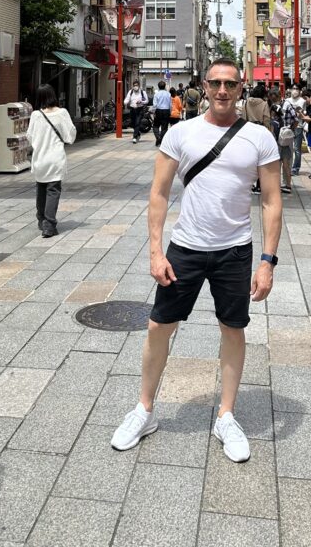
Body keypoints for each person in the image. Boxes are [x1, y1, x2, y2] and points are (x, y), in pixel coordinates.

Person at [111, 58, 282, 463]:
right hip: (185, 247)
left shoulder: (259, 138)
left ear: (242, 89)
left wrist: (267, 261)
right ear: (204, 86)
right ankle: (145, 410)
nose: (223, 91)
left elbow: (272, 201)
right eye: (216, 83)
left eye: (231, 84)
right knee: (158, 326)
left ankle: (226, 415)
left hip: (235, 250)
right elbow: (158, 193)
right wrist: (155, 251)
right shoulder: (181, 132)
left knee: (233, 329)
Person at [27, 84, 76, 237]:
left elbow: (30, 136)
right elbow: (70, 135)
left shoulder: (36, 115)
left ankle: (41, 220)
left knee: (41, 189)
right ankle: (49, 224)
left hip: (40, 158)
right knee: (53, 190)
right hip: (55, 157)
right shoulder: (62, 113)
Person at [278, 96, 298, 194]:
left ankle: (288, 185)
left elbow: (296, 120)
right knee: (277, 163)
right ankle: (281, 184)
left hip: (285, 138)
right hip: (276, 138)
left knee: (286, 163)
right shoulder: (273, 105)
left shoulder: (287, 105)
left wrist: (290, 130)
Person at [285, 84, 306, 175]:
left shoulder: (302, 101)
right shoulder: (287, 100)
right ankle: (287, 166)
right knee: (287, 148)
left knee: (297, 149)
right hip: (288, 127)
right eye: (293, 88)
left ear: (300, 91)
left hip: (298, 126)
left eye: (297, 89)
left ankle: (296, 168)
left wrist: (298, 113)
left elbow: (302, 113)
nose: (295, 90)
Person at [153, 81, 171, 147]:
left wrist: (154, 112)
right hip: (166, 110)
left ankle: (158, 137)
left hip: (158, 110)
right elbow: (170, 104)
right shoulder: (168, 94)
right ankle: (161, 139)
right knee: (164, 127)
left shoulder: (156, 94)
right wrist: (170, 112)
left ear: (158, 86)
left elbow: (155, 104)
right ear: (165, 86)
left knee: (155, 126)